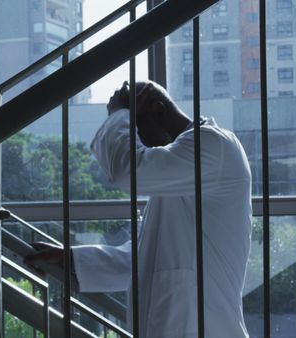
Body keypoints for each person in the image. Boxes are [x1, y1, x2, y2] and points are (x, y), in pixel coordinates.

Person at [25, 80, 252, 338]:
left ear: (158, 110)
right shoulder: (183, 166)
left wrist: (119, 115)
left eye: (136, 130)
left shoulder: (216, 147)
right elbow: (146, 260)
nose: (138, 143)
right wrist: (71, 259)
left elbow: (127, 172)